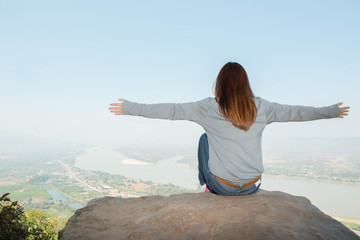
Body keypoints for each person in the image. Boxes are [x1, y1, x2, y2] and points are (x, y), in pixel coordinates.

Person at [108, 62, 350, 196]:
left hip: (222, 187)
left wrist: (129, 108)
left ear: (219, 83)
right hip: (252, 186)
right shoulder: (262, 107)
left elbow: (171, 110)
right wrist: (331, 111)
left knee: (205, 138)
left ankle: (204, 185)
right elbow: (298, 113)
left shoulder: (208, 108)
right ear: (246, 84)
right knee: (208, 137)